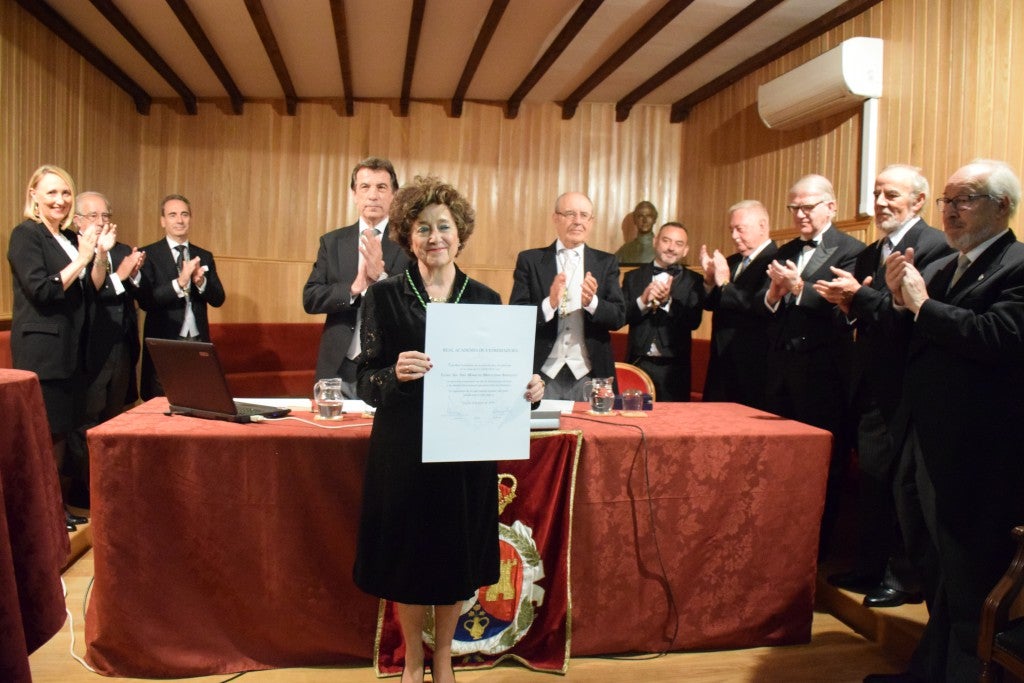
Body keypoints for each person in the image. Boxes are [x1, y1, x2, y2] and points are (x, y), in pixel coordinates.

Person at [352, 176, 544, 683]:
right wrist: (392, 373)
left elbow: (506, 377)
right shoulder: (385, 297)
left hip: (466, 450)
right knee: (409, 562)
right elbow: (362, 383)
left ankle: (444, 659)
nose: (435, 236)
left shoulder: (485, 296)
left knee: (455, 560)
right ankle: (414, 659)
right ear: (406, 237)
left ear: (460, 234)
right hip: (404, 448)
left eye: (444, 226)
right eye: (422, 228)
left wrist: (526, 389)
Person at [863, 160, 1024, 683]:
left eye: (965, 200)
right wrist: (892, 298)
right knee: (931, 566)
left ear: (1002, 207)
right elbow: (910, 336)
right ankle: (929, 671)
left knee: (966, 574)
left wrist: (920, 305)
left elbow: (997, 338)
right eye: (946, 201)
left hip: (974, 451)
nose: (950, 212)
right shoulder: (944, 265)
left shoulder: (1018, 264)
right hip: (922, 436)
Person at [814, 165, 951, 609]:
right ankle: (871, 566)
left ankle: (903, 575)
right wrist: (847, 304)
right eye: (876, 193)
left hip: (909, 387)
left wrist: (861, 298)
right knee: (874, 481)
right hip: (869, 383)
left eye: (891, 194)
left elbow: (915, 315)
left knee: (900, 486)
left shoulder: (935, 246)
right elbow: (863, 312)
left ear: (919, 201)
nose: (880, 202)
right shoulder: (873, 250)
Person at [762, 174, 864, 555]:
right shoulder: (786, 249)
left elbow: (845, 311)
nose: (800, 214)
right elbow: (771, 309)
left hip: (824, 376)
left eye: (808, 206)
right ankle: (780, 541)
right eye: (794, 207)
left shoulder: (851, 250)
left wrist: (800, 288)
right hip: (781, 373)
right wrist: (773, 296)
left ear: (831, 207)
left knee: (824, 464)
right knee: (779, 463)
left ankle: (818, 548)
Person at [7, 165, 106, 531]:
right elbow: (44, 290)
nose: (60, 200)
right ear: (33, 194)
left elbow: (90, 290)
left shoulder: (65, 238)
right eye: (51, 193)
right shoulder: (26, 235)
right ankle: (44, 516)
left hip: (71, 354)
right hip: (43, 356)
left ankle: (56, 508)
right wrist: (81, 256)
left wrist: (97, 254)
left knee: (62, 433)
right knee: (46, 436)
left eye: (65, 193)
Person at [304, 157, 410, 397]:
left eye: (381, 187)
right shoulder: (332, 242)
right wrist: (355, 288)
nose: (373, 195)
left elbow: (414, 304)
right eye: (365, 187)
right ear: (354, 194)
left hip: (388, 366)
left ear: (394, 194)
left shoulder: (409, 243)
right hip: (337, 368)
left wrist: (381, 278)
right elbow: (310, 297)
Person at [66, 191, 146, 509]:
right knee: (87, 419)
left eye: (105, 216)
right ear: (77, 221)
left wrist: (135, 272)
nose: (101, 223)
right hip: (89, 349)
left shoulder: (122, 248)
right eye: (93, 216)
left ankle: (111, 489)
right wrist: (122, 275)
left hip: (122, 345)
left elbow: (139, 292)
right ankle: (84, 493)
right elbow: (88, 295)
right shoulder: (73, 250)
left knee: (114, 419)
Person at [509, 192, 626, 400]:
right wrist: (550, 303)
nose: (578, 221)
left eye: (584, 215)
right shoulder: (530, 260)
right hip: (541, 374)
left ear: (591, 222)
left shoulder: (606, 262)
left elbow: (618, 317)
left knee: (593, 433)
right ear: (556, 218)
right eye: (570, 214)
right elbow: (516, 318)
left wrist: (593, 302)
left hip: (590, 373)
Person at [137, 194, 226, 400]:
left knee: (199, 401)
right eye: (173, 215)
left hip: (197, 342)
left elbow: (218, 298)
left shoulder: (204, 255)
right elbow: (147, 301)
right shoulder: (148, 254)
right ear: (163, 221)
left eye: (184, 214)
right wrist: (180, 282)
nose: (179, 220)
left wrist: (200, 282)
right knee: (161, 404)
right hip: (165, 342)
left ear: (190, 219)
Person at [699, 199, 778, 408]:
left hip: (753, 365)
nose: (734, 236)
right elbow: (712, 304)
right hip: (721, 361)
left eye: (740, 229)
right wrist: (708, 281)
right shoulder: (732, 261)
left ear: (762, 226)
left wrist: (725, 283)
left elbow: (758, 305)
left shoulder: (776, 260)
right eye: (731, 229)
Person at [621, 222, 704, 400]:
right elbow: (621, 317)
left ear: (686, 250)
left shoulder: (694, 280)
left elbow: (694, 321)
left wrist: (668, 303)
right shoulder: (632, 277)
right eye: (666, 241)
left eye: (678, 244)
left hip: (675, 369)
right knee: (633, 419)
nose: (672, 248)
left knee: (673, 424)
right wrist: (643, 302)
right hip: (637, 363)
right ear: (655, 241)